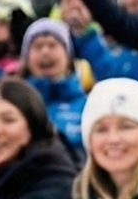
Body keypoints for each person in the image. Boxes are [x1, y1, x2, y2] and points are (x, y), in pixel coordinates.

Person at [18, 18, 90, 147]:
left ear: (68, 59)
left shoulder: (88, 105)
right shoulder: (15, 105)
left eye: (52, 45)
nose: (45, 52)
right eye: (38, 46)